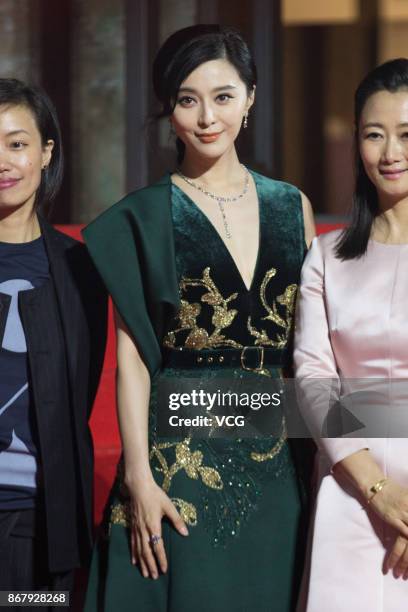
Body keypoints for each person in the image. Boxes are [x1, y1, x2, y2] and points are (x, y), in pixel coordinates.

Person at [83, 25, 315, 612]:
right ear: (170, 110)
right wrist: (139, 477)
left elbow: (309, 352)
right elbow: (132, 361)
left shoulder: (292, 206)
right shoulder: (141, 217)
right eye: (187, 100)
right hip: (177, 464)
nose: (207, 117)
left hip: (277, 461)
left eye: (223, 96)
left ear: (251, 97)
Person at [295, 58, 408, 612]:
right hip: (348, 492)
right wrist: (377, 491)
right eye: (374, 134)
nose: (390, 153)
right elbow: (314, 380)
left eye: (407, 135)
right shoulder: (326, 255)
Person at [0, 79, 107, 608]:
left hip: (44, 521)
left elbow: (78, 392)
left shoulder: (79, 268)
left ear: (46, 152)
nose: (3, 161)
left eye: (17, 144)